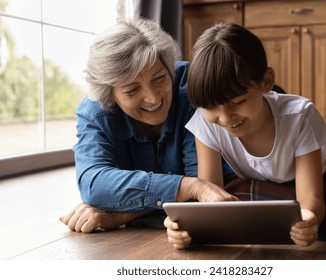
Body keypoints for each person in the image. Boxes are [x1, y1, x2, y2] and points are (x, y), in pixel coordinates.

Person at [164, 22, 326, 249]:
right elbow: (212, 192)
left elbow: (310, 198)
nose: (225, 118)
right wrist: (186, 229)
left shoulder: (299, 115)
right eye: (211, 107)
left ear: (266, 82)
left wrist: (309, 218)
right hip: (316, 179)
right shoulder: (205, 122)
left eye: (238, 102)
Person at [59, 18, 239, 233]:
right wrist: (187, 186)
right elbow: (94, 184)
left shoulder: (195, 87)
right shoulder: (95, 112)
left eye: (160, 78)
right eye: (132, 90)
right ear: (109, 94)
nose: (153, 98)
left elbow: (205, 195)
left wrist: (120, 214)